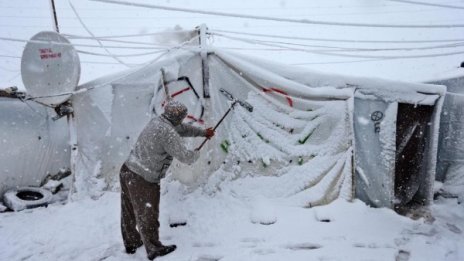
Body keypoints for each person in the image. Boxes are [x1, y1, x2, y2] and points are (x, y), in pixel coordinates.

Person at [120, 100, 214, 260]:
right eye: (183, 117)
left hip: (128, 170)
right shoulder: (167, 133)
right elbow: (186, 157)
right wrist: (196, 153)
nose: (183, 120)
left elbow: (181, 129)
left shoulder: (158, 121)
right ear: (179, 117)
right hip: (144, 178)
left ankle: (132, 242)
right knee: (148, 214)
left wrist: (203, 133)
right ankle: (154, 248)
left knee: (128, 211)